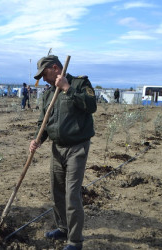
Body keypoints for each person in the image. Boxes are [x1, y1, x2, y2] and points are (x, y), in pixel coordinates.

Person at [29, 55, 97, 250]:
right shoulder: (49, 94)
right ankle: (63, 227)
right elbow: (43, 122)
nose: (43, 79)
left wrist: (68, 88)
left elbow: (91, 106)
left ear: (56, 68)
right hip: (57, 148)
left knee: (72, 194)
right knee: (57, 191)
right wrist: (37, 140)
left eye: (44, 74)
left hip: (77, 148)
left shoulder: (80, 83)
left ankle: (75, 241)